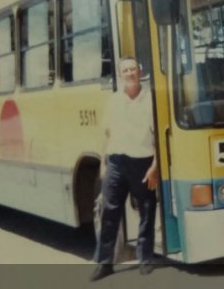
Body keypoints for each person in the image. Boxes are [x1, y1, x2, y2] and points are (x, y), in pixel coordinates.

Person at [90, 56, 159, 282]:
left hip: (143, 163)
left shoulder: (151, 100)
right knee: (109, 211)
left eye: (133, 69)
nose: (129, 73)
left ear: (140, 71)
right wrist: (103, 163)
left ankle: (145, 259)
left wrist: (155, 167)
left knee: (147, 210)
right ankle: (104, 263)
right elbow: (107, 133)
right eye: (125, 70)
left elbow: (158, 136)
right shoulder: (114, 101)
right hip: (116, 162)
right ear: (120, 75)